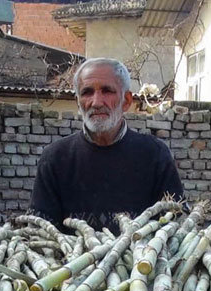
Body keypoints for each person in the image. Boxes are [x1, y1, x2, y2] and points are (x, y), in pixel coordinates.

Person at [30, 58, 184, 233]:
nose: (96, 102)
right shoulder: (55, 159)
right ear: (78, 102)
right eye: (87, 92)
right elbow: (39, 232)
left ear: (126, 101)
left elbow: (174, 227)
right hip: (69, 259)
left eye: (107, 91)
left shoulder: (155, 155)